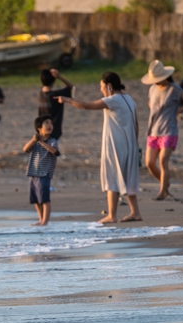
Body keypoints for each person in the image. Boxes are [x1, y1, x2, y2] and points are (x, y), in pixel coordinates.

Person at [57, 71, 142, 223]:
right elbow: (136, 124)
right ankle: (135, 212)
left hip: (116, 144)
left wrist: (67, 100)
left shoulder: (113, 99)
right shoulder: (129, 98)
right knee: (127, 178)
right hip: (130, 145)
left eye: (102, 87)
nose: (101, 90)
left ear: (109, 86)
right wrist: (135, 145)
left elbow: (87, 106)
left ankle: (112, 215)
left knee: (113, 178)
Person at [141, 59, 183, 200]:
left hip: (169, 129)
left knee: (163, 161)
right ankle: (165, 183)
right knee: (149, 163)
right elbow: (151, 104)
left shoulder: (174, 89)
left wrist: (177, 111)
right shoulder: (152, 89)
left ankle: (162, 192)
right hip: (153, 130)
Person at [23, 116, 60, 226]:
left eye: (51, 124)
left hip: (44, 173)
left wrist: (42, 143)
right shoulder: (35, 142)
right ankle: (41, 219)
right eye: (46, 123)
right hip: (33, 172)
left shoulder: (52, 141)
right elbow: (25, 149)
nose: (50, 126)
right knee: (36, 199)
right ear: (39, 128)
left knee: (44, 199)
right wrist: (34, 140)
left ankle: (45, 221)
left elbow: (54, 151)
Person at [37, 68, 74, 141]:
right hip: (53, 131)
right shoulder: (56, 96)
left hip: (42, 131)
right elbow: (72, 88)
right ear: (53, 82)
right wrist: (59, 77)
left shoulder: (40, 94)